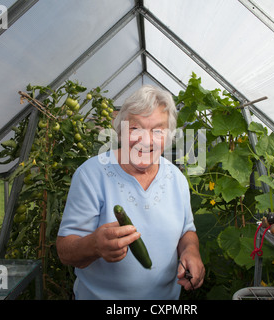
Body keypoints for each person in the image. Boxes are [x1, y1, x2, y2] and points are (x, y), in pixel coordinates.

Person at [56, 85, 204, 300]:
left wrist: (191, 250)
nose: (146, 140)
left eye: (158, 130)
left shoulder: (176, 179)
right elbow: (65, 251)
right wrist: (94, 245)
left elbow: (186, 231)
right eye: (136, 128)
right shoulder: (91, 174)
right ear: (120, 132)